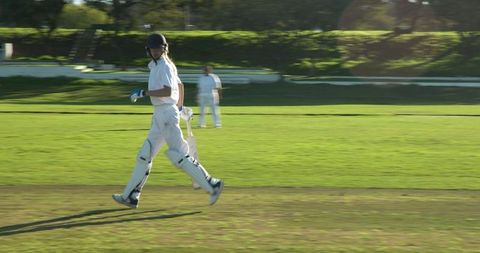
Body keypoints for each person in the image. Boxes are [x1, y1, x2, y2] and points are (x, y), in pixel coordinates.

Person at [112, 33, 224, 208]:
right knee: (144, 156)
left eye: (158, 48)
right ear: (148, 50)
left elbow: (166, 91)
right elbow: (180, 86)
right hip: (162, 114)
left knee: (179, 156)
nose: (155, 51)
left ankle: (212, 184)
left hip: (165, 114)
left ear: (164, 48)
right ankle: (131, 196)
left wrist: (144, 93)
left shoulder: (164, 66)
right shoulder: (163, 65)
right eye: (152, 49)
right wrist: (179, 108)